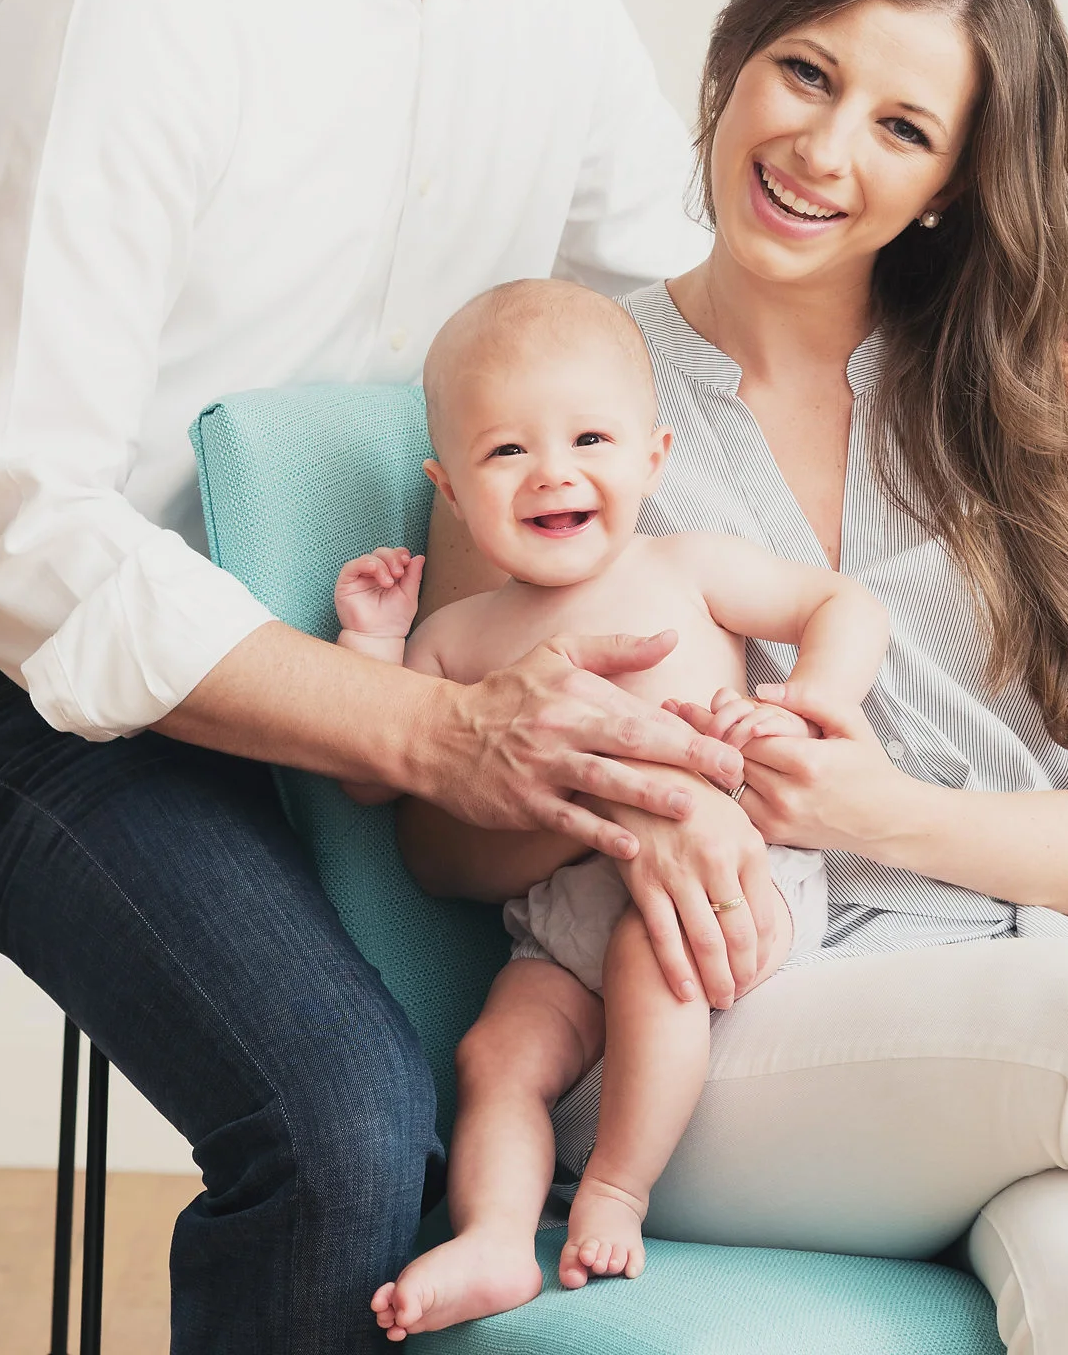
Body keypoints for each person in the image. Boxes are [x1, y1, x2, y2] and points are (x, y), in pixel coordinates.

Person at [0, 0, 764, 1353]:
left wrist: (1062, 352)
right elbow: (17, 535)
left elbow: (707, 328)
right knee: (351, 1129)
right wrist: (427, 731)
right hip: (82, 727)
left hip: (434, 686)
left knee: (715, 1032)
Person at [414, 0, 1068, 1353]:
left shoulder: (1064, 403)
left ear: (950, 186)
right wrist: (636, 798)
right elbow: (440, 833)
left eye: (903, 127)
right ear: (735, 54)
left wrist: (877, 810)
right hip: (697, 1036)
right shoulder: (553, 389)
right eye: (807, 72)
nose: (823, 147)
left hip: (1000, 1017)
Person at [326, 279, 881, 1333]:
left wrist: (807, 702)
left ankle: (617, 1186)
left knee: (647, 952)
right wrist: (373, 640)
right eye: (507, 451)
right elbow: (371, 774)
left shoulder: (687, 566)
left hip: (724, 887)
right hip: (559, 915)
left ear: (653, 458)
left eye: (589, 438)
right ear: (452, 491)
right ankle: (496, 1237)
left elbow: (840, 602)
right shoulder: (454, 638)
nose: (554, 472)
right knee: (497, 1054)